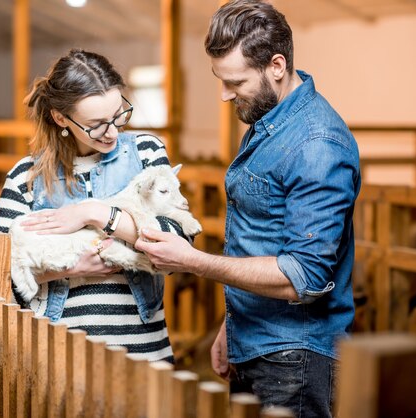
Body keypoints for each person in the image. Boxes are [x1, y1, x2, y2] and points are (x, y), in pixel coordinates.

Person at [135, 0, 361, 416]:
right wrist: (233, 324)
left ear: (277, 66)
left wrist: (194, 261)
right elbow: (263, 238)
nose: (224, 95)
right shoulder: (269, 118)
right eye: (220, 80)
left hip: (296, 358)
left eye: (235, 82)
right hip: (259, 340)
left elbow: (304, 277)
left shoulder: (317, 146)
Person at [0, 49, 192, 363]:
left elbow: (180, 242)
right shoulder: (27, 177)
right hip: (60, 358)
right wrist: (69, 268)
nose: (112, 131)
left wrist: (95, 213)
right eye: (96, 124)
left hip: (142, 354)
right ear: (60, 118)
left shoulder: (145, 153)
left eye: (117, 115)